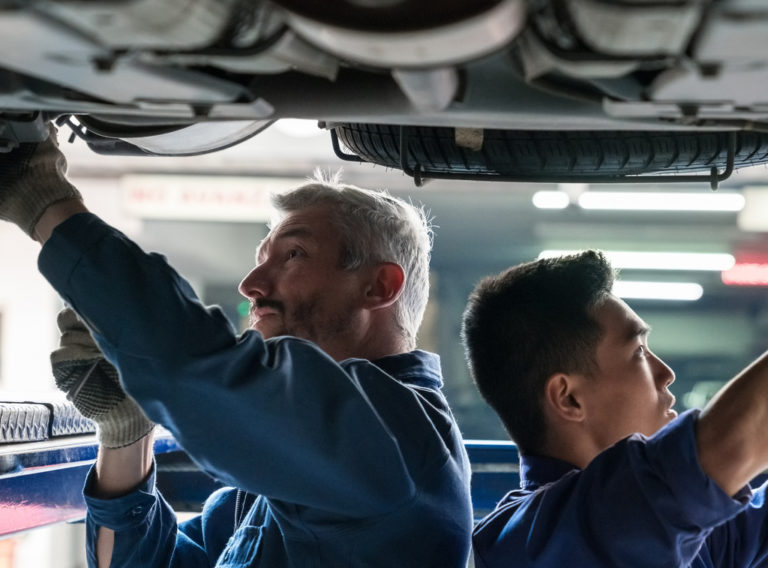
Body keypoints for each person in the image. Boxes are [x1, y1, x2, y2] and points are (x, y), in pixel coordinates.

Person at [0, 127, 473, 567]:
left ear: (379, 287)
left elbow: (196, 366)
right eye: (259, 259)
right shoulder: (277, 471)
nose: (251, 285)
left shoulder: (397, 434)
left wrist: (45, 202)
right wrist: (127, 435)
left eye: (293, 255)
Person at [461, 250, 768, 568]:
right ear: (569, 399)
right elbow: (733, 443)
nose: (665, 373)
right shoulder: (539, 543)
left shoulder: (677, 528)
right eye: (638, 352)